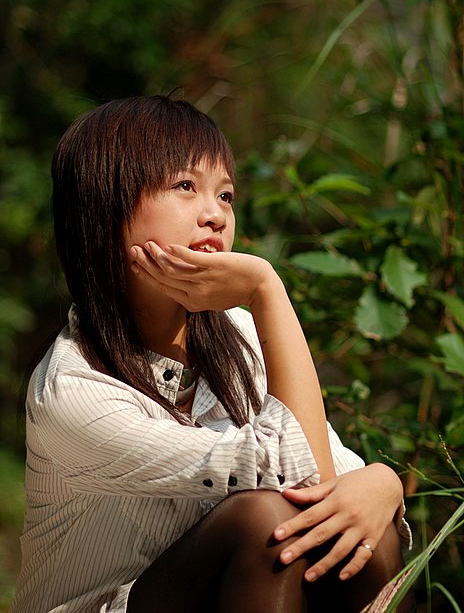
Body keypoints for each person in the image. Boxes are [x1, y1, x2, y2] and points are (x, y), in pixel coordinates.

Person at [11, 95, 413, 613]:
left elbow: (329, 482)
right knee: (265, 521)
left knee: (365, 535)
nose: (215, 215)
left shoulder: (237, 334)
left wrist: (381, 482)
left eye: (225, 195)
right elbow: (299, 477)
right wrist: (267, 288)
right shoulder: (72, 389)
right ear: (104, 207)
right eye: (185, 186)